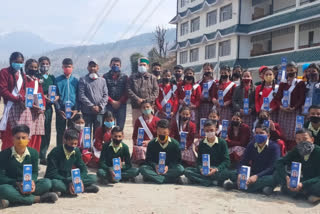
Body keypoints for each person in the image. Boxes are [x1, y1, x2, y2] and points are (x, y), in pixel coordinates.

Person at [0, 125, 58, 209]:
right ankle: (37, 199)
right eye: (18, 138)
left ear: (28, 139)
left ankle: (11, 201)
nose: (21, 140)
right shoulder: (4, 154)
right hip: (11, 185)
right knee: (3, 189)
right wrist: (17, 183)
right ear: (12, 139)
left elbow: (34, 172)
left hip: (28, 185)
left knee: (47, 183)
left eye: (24, 138)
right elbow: (1, 176)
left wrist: (33, 182)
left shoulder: (34, 153)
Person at [223, 125, 280, 195]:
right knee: (231, 173)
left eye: (261, 133)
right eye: (256, 133)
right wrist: (240, 173)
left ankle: (236, 185)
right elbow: (243, 161)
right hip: (252, 173)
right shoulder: (252, 144)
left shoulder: (274, 147)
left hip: (266, 175)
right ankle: (261, 188)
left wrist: (257, 176)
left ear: (268, 135)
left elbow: (272, 167)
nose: (258, 135)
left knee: (273, 179)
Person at [45, 129, 99, 196]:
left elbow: (83, 169)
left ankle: (67, 190)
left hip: (70, 178)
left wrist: (79, 179)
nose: (73, 146)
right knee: (55, 184)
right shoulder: (55, 152)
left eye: (75, 144)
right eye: (71, 144)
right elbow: (51, 173)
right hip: (59, 179)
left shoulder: (76, 151)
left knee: (93, 178)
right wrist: (69, 181)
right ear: (65, 141)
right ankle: (80, 189)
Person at [272, 129, 320, 204]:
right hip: (302, 179)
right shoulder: (297, 150)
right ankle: (306, 193)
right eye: (298, 139)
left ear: (312, 140)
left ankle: (302, 192)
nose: (302, 142)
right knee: (277, 174)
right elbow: (279, 162)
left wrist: (302, 184)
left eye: (305, 139)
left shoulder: (318, 152)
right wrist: (287, 178)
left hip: (314, 181)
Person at [0, 52, 31, 151]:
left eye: (21, 62)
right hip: (11, 107)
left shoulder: (22, 75)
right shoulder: (4, 72)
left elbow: (25, 90)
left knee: (22, 132)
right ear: (11, 61)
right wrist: (17, 99)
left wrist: (25, 100)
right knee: (10, 133)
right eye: (16, 62)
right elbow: (3, 90)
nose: (19, 64)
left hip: (22, 108)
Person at [184, 120, 230, 186]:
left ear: (216, 130)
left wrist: (216, 169)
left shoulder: (222, 142)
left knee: (228, 173)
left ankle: (200, 180)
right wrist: (200, 169)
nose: (209, 132)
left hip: (217, 170)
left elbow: (227, 161)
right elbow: (199, 161)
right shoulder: (202, 143)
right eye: (207, 131)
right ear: (204, 131)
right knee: (187, 171)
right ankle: (211, 182)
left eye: (211, 130)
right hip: (205, 169)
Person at [139, 119, 184, 184]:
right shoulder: (152, 143)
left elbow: (177, 161)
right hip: (156, 169)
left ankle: (154, 178)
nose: (161, 135)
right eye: (159, 132)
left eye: (164, 133)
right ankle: (172, 180)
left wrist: (168, 167)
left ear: (169, 132)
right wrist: (155, 166)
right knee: (143, 169)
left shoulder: (175, 144)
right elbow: (148, 160)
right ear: (156, 131)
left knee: (180, 169)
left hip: (169, 169)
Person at [274, 61, 306, 151]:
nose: (289, 72)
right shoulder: (283, 84)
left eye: (291, 70)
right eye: (287, 70)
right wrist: (280, 106)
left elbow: (301, 98)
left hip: (294, 112)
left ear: (296, 70)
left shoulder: (300, 83)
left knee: (293, 134)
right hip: (283, 112)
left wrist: (294, 107)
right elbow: (277, 98)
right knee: (282, 132)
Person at [78, 59, 108, 136]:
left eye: (94, 66)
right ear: (88, 68)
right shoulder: (83, 80)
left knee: (98, 133)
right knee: (86, 133)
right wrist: (91, 106)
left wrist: (100, 106)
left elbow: (105, 95)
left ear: (98, 67)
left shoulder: (102, 80)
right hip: (87, 112)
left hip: (100, 112)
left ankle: (96, 148)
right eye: (91, 66)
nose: (92, 68)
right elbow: (81, 95)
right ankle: (86, 148)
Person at [37, 56, 58, 165]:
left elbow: (56, 91)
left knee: (47, 131)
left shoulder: (52, 78)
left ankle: (43, 155)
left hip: (49, 108)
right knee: (37, 131)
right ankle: (36, 153)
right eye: (42, 64)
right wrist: (43, 97)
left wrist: (55, 98)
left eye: (46, 63)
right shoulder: (36, 76)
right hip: (38, 108)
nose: (44, 66)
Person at [127, 57, 159, 127]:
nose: (142, 66)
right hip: (136, 107)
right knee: (137, 126)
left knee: (150, 126)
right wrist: (137, 99)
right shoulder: (132, 77)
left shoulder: (152, 78)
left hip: (149, 107)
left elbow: (156, 91)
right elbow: (129, 90)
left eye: (144, 65)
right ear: (138, 66)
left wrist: (147, 101)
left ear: (148, 66)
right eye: (140, 65)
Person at [55, 58, 79, 146]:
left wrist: (76, 109)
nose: (67, 68)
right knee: (60, 132)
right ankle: (59, 150)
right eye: (65, 67)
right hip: (61, 110)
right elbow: (54, 97)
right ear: (62, 67)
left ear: (72, 67)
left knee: (72, 133)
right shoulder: (57, 80)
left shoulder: (76, 81)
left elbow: (78, 96)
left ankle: (71, 150)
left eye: (69, 66)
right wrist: (58, 109)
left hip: (73, 110)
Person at [24, 59, 46, 153]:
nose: (33, 69)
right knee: (28, 134)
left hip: (38, 112)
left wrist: (42, 107)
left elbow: (41, 95)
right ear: (26, 67)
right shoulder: (24, 79)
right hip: (27, 110)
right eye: (31, 67)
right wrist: (32, 106)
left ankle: (34, 156)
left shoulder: (37, 81)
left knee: (37, 136)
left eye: (35, 67)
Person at [131, 100, 160, 164]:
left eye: (147, 107)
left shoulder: (157, 120)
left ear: (152, 107)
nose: (146, 109)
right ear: (141, 109)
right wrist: (138, 142)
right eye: (144, 107)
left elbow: (160, 136)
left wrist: (149, 142)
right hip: (142, 145)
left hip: (154, 143)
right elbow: (134, 136)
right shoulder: (138, 120)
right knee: (140, 149)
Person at [104, 57, 128, 130]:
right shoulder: (104, 77)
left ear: (120, 66)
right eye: (114, 64)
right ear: (110, 65)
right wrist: (111, 101)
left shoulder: (125, 77)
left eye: (117, 65)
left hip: (122, 105)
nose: (115, 66)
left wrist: (120, 102)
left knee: (120, 127)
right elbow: (103, 91)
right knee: (109, 126)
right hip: (109, 105)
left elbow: (127, 91)